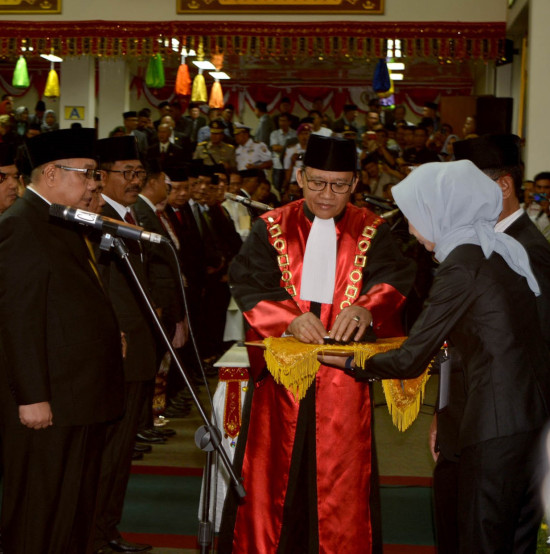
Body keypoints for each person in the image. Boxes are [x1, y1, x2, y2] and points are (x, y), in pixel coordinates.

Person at [321, 160, 550, 554]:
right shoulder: (493, 248)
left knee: (483, 539)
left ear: (439, 211)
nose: (410, 229)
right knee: (517, 539)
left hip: (497, 423)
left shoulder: (462, 263)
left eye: (413, 216)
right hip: (527, 418)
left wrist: (352, 362)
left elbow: (412, 356)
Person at [228, 134, 413, 553]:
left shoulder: (372, 228)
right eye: (316, 182)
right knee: (276, 472)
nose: (326, 194)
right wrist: (290, 321)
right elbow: (248, 281)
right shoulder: (271, 226)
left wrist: (367, 307)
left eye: (338, 185)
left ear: (354, 184)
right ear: (299, 177)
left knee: (342, 474)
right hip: (284, 375)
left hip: (342, 373)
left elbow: (395, 275)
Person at [0, 128, 125, 553]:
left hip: (77, 397)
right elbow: (15, 320)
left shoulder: (56, 219)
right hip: (46, 402)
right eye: (86, 174)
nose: (93, 184)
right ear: (50, 173)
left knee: (73, 510)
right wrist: (32, 396)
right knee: (39, 513)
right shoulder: (21, 225)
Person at [424, 134, 550, 553]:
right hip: (467, 420)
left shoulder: (529, 252)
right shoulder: (481, 245)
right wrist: (444, 412)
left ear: (502, 187)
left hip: (503, 432)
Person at [93, 137, 157, 554]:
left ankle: (106, 528)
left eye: (140, 174)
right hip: (114, 355)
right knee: (107, 456)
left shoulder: (135, 216)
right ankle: (97, 533)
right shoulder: (96, 221)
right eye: (126, 173)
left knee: (120, 457)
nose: (135, 181)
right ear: (103, 176)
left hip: (139, 352)